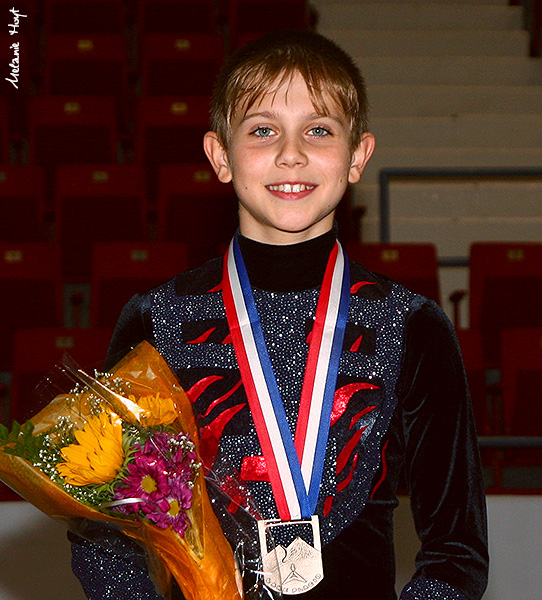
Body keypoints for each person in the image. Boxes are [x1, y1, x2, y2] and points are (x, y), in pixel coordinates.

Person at [71, 30, 489, 600]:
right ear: (220, 156)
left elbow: (456, 552)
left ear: (358, 156)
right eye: (263, 131)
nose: (291, 154)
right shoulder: (158, 320)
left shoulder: (411, 325)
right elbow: (102, 535)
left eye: (318, 130)